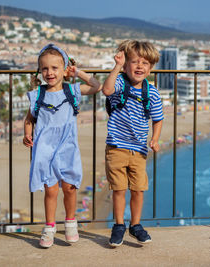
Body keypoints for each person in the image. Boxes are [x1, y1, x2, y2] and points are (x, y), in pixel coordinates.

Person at [23, 43, 101, 248]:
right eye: (45, 68)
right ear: (40, 71)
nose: (49, 72)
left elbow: (97, 86)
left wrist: (78, 72)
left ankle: (70, 222)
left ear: (64, 70)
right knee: (51, 191)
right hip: (45, 149)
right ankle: (49, 228)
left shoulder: (72, 91)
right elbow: (29, 118)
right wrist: (27, 134)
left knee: (70, 188)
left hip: (67, 147)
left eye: (55, 68)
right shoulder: (38, 95)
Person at [102, 40, 164, 247]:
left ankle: (135, 225)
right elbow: (107, 90)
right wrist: (117, 66)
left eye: (145, 63)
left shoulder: (152, 92)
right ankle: (119, 224)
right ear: (127, 65)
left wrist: (154, 139)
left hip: (139, 150)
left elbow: (158, 118)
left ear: (151, 68)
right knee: (118, 189)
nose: (139, 66)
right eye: (135, 62)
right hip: (117, 147)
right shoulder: (120, 82)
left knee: (138, 189)